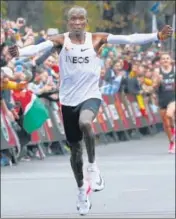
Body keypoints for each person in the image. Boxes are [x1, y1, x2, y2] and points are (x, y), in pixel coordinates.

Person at [4, 6, 173, 216]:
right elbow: (39, 47)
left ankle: (93, 167)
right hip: (68, 100)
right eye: (72, 19)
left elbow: (129, 39)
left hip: (91, 95)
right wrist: (19, 51)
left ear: (85, 22)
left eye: (80, 19)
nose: (76, 23)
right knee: (75, 151)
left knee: (86, 123)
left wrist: (156, 36)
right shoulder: (61, 40)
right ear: (69, 22)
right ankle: (81, 190)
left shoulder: (97, 39)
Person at [153, 53, 175, 153]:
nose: (165, 60)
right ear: (160, 61)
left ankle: (174, 131)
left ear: (170, 60)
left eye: (167, 58)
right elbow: (154, 86)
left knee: (169, 114)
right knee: (166, 124)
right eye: (163, 59)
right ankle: (171, 142)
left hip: (173, 98)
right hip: (162, 98)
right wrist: (158, 80)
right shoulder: (157, 71)